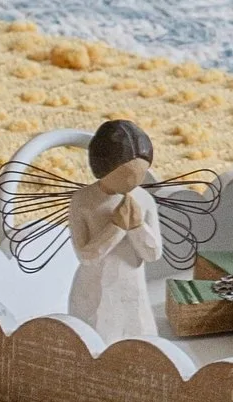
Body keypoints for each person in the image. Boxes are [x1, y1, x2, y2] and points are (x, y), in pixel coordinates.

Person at [64, 117, 163, 343]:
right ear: (103, 167)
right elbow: (86, 256)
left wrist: (137, 227)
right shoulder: (83, 201)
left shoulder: (144, 199)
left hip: (132, 292)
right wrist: (116, 227)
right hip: (94, 292)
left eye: (140, 174)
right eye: (126, 175)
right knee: (94, 345)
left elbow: (153, 253)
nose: (133, 182)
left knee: (139, 346)